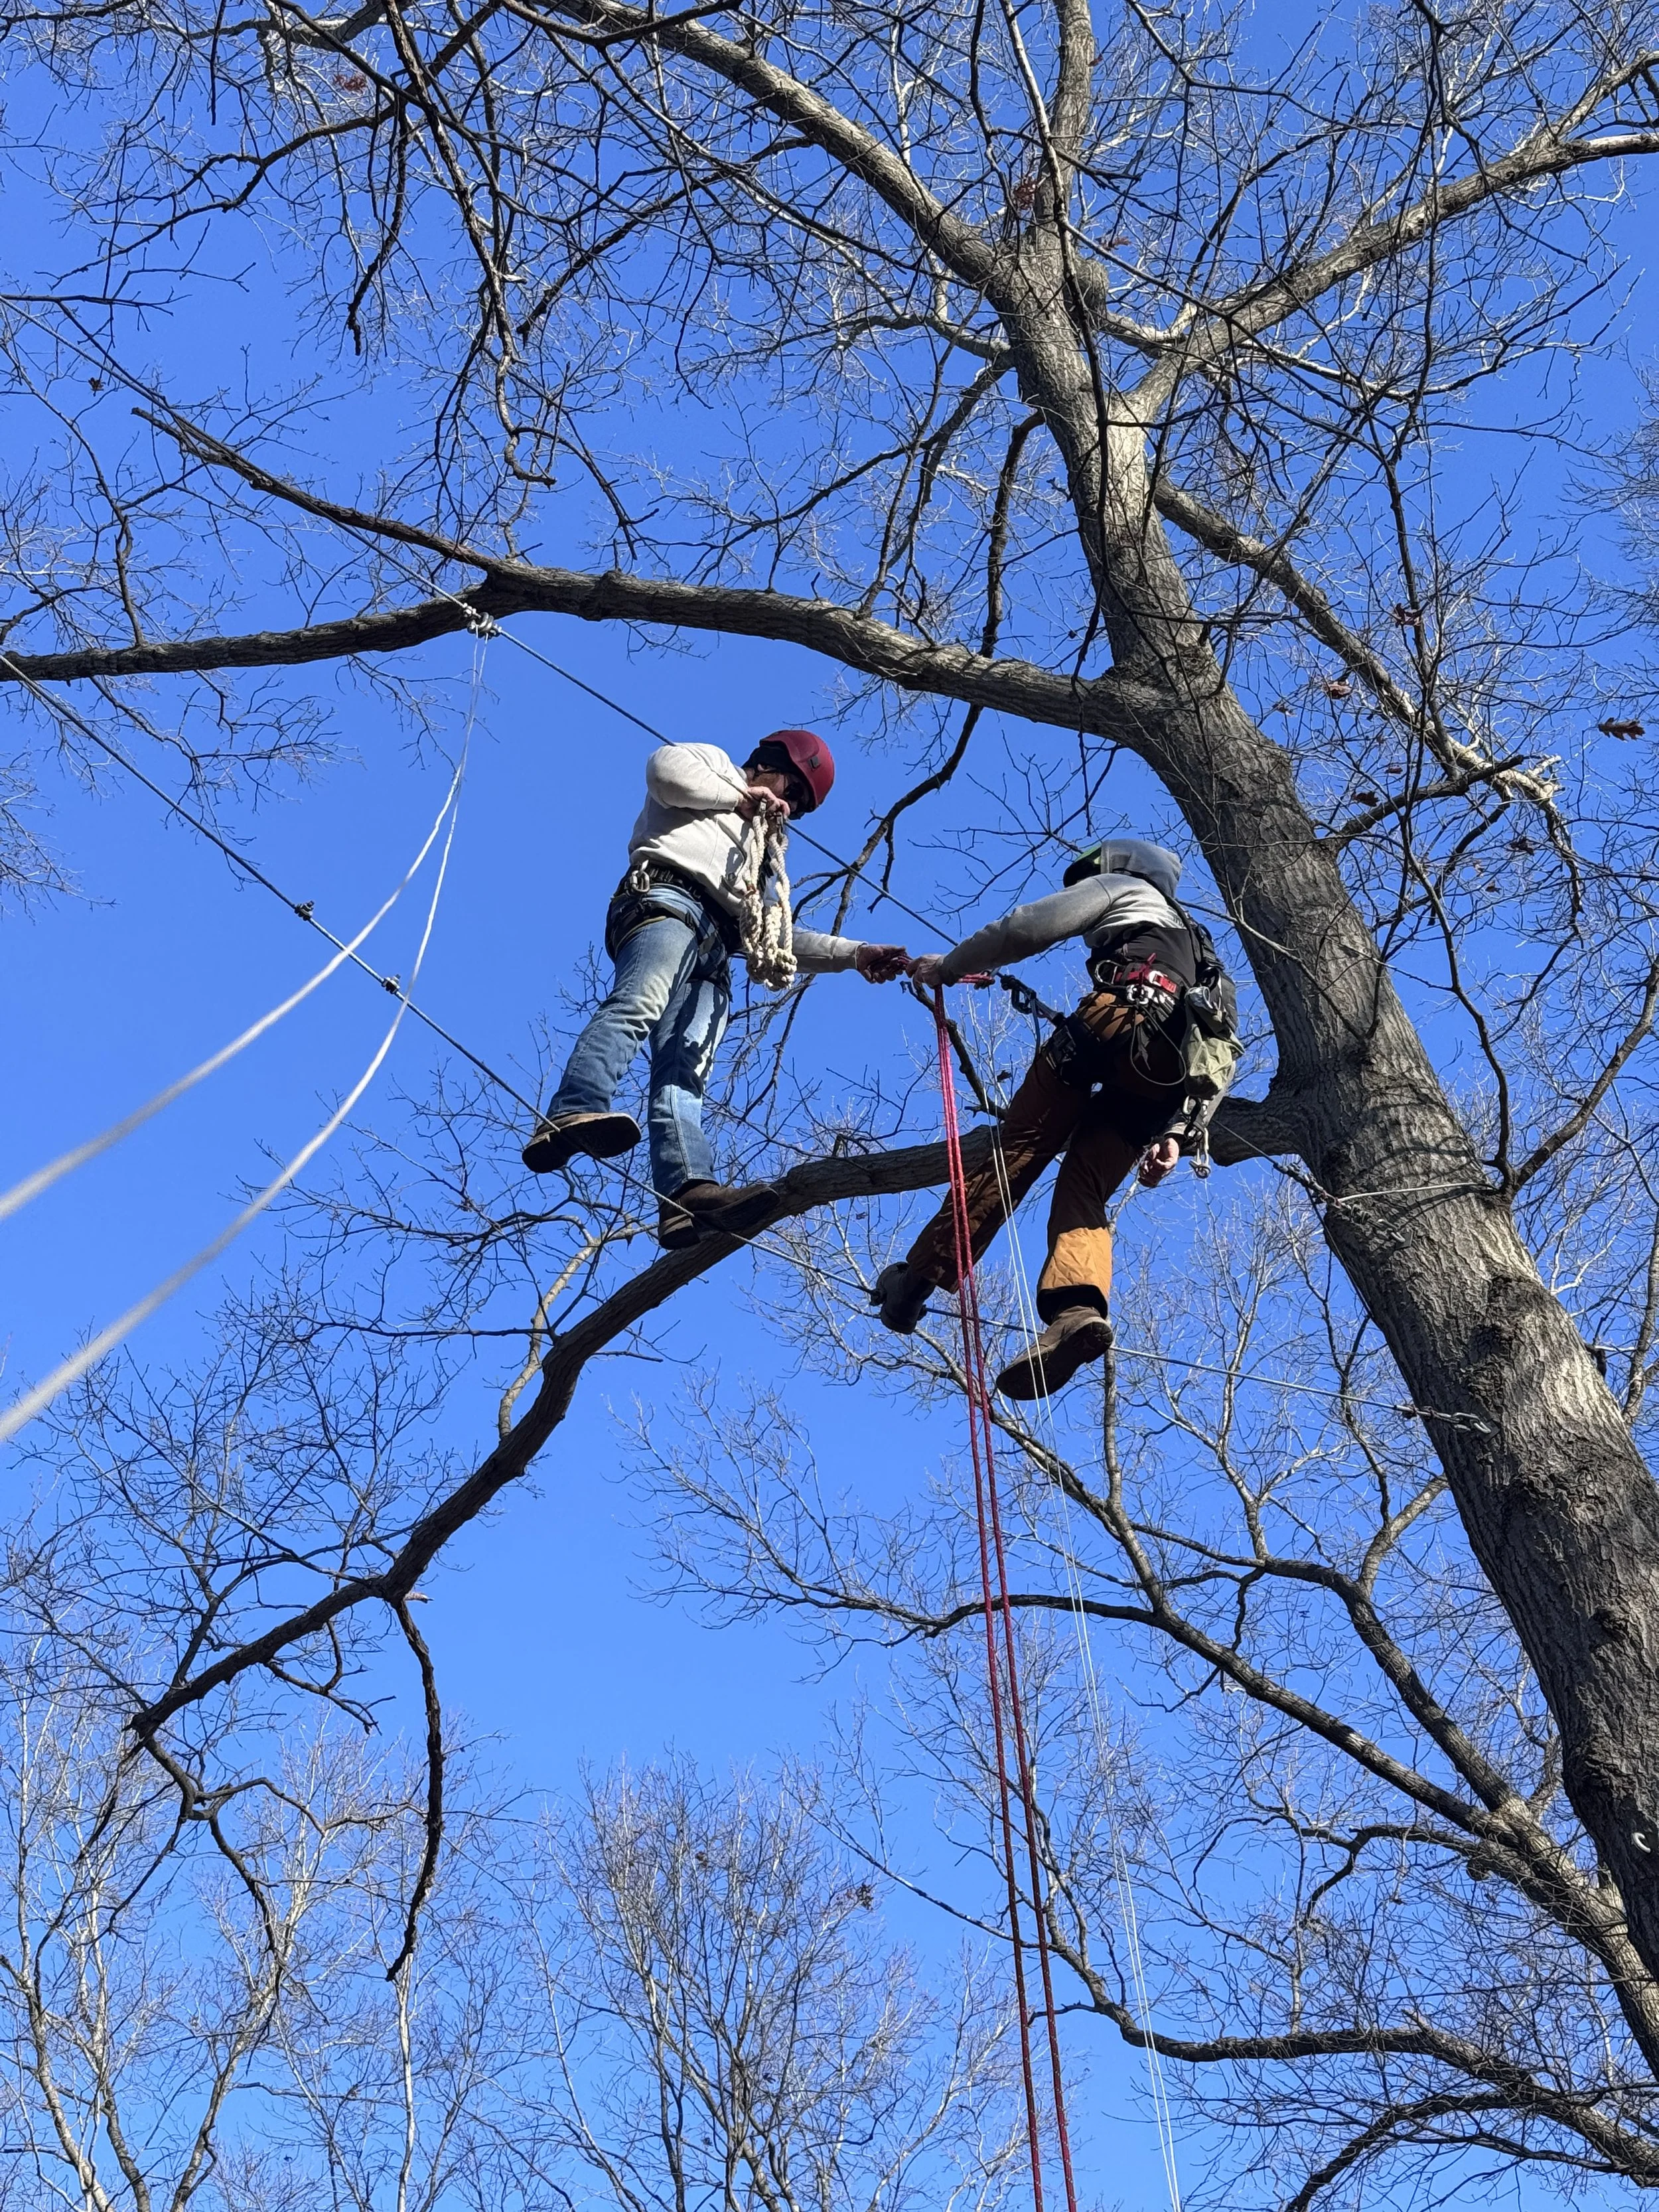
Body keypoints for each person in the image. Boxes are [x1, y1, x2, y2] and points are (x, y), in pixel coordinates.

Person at [873, 838, 1236, 1398]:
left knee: (1017, 1152)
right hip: (1164, 1080)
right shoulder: (1206, 956)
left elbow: (1026, 927)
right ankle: (1075, 1313)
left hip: (1114, 1022)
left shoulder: (1127, 888)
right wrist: (1180, 1131)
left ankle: (914, 1284)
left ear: (1120, 868)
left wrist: (949, 967)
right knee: (1085, 1185)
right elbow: (1223, 1050)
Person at [524, 730, 909, 1248]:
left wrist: (854, 953)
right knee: (639, 1001)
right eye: (792, 789)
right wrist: (739, 796)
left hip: (720, 945)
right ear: (769, 763)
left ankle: (686, 1192)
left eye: (799, 806)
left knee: (684, 1074)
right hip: (668, 901)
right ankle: (574, 1105)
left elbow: (774, 935)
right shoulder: (715, 767)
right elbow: (665, 772)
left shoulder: (761, 851)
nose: (789, 807)